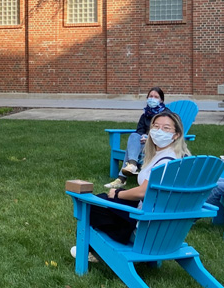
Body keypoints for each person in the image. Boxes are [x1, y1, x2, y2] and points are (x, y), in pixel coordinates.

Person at [72, 111, 190, 259]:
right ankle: (91, 248)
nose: (159, 131)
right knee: (104, 199)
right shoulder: (179, 157)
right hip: (166, 227)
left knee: (92, 206)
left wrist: (118, 194)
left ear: (176, 135)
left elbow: (143, 192)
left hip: (146, 229)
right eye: (156, 126)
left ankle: (89, 251)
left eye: (166, 128)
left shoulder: (166, 162)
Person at [105, 87, 167, 189]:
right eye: (150, 96)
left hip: (158, 145)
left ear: (161, 100)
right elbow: (139, 131)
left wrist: (150, 139)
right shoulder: (145, 115)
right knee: (134, 136)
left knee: (131, 149)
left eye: (156, 97)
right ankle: (132, 165)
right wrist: (143, 136)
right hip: (143, 144)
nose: (153, 99)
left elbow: (166, 134)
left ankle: (122, 178)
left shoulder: (166, 116)